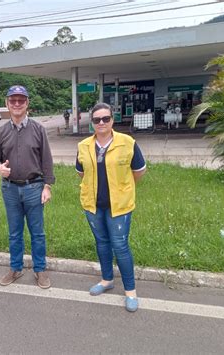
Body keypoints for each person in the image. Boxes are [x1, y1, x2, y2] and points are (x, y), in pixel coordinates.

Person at [76, 102, 146, 312]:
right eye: (97, 120)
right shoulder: (84, 146)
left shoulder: (127, 142)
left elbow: (139, 170)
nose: (102, 123)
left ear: (112, 120)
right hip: (93, 205)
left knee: (120, 246)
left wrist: (123, 189)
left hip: (120, 206)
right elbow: (81, 172)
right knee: (102, 243)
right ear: (92, 123)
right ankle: (107, 280)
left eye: (106, 118)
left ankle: (130, 291)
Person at [0, 85, 55, 289]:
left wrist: (47, 186)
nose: (17, 104)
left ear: (27, 104)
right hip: (10, 190)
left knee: (38, 232)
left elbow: (46, 160)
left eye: (21, 100)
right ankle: (15, 268)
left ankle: (40, 270)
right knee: (14, 232)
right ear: (7, 104)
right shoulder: (1, 132)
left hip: (34, 187)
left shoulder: (38, 129)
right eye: (13, 100)